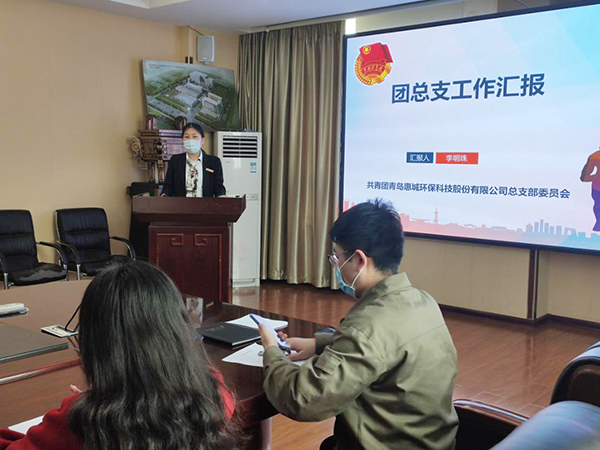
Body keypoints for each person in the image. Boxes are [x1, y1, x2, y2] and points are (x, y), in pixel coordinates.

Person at [258, 199, 458, 450]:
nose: (336, 267)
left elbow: (304, 400)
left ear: (360, 260)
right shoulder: (422, 301)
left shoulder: (366, 325)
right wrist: (318, 344)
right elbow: (385, 347)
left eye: (337, 258)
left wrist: (272, 352)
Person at [0, 260, 236, 450]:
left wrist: (91, 405)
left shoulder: (79, 421)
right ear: (176, 329)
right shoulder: (214, 392)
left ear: (95, 341)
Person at [162, 122, 226, 197]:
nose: (190, 140)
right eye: (187, 137)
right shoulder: (175, 161)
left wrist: (222, 196)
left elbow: (218, 187)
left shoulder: (214, 162)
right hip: (181, 204)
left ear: (202, 140)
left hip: (205, 204)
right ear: (183, 140)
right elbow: (168, 186)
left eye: (195, 137)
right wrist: (164, 195)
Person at [580, 147, 600, 231]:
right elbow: (584, 177)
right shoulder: (595, 157)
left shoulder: (594, 156)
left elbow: (584, 177)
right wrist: (597, 177)